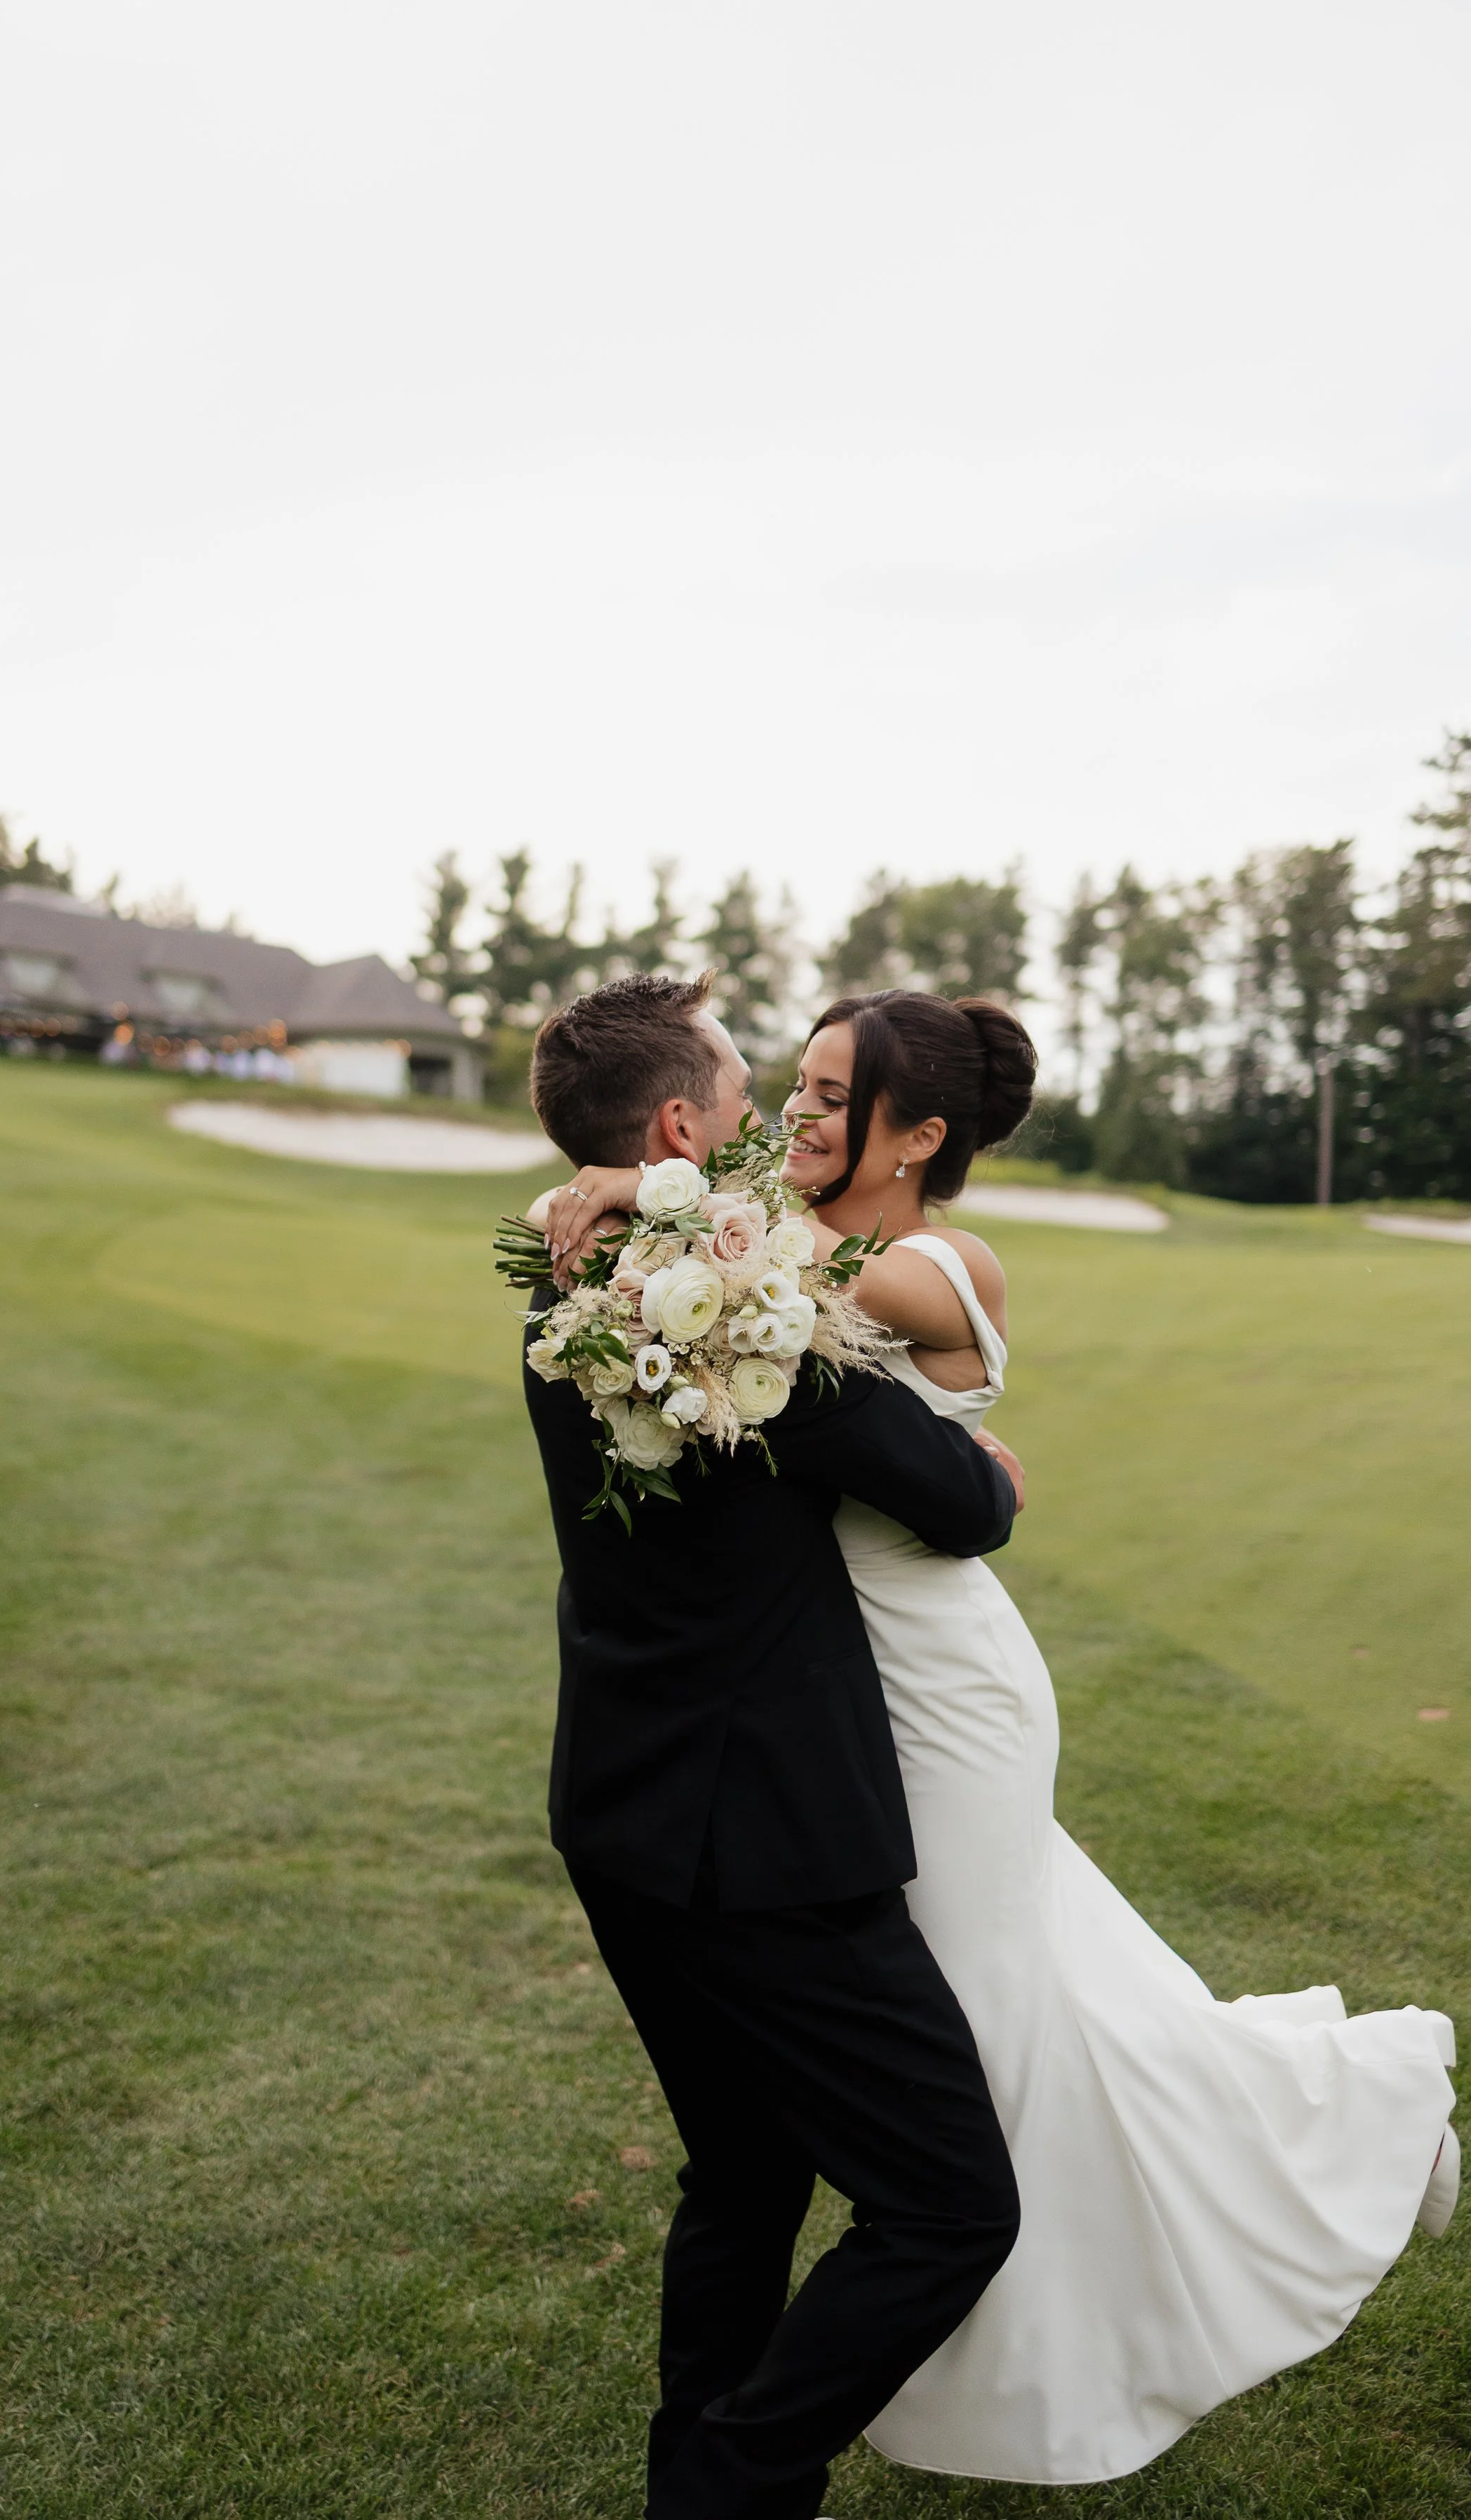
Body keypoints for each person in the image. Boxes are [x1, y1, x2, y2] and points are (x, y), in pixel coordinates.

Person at [547, 985, 1460, 2489]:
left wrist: (626, 1192)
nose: (802, 1115)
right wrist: (636, 1195)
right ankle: (1217, 2163)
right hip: (828, 1698)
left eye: (844, 1098)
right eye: (800, 1082)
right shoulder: (744, 1230)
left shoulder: (918, 1262)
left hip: (936, 1689)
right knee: (1004, 2022)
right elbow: (739, 1274)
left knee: (990, 2030)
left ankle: (1309, 2144)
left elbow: (768, 1287)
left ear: (923, 1135)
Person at [522, 970, 1026, 2520]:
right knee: (945, 2206)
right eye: (744, 1099)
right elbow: (968, 1506)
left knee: (740, 2176)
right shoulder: (742, 1320)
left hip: (615, 1811)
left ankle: (696, 2482)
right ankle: (732, 2485)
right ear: (678, 1124)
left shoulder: (566, 1291)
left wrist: (627, 1191)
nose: (758, 1129)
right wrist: (980, 1464)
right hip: (768, 1843)